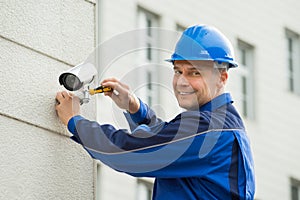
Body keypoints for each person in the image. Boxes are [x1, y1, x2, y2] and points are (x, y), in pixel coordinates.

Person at [56, 24, 255, 199]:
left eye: (195, 73)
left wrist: (75, 121)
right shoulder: (218, 122)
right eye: (178, 71)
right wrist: (134, 107)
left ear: (222, 78)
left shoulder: (210, 129)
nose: (182, 81)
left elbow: (131, 153)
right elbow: (168, 138)